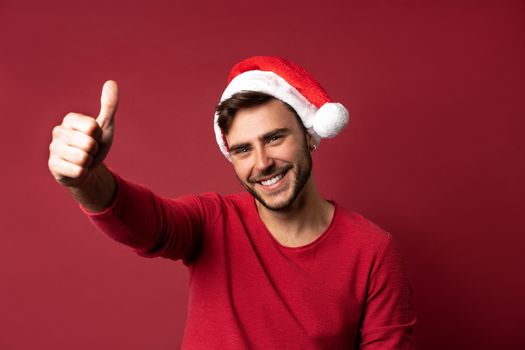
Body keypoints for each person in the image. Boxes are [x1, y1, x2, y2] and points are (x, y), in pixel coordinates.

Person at [48, 56, 416, 349]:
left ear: (310, 136)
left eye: (274, 138)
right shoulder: (212, 221)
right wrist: (86, 179)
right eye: (242, 149)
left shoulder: (371, 250)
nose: (261, 163)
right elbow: (145, 222)